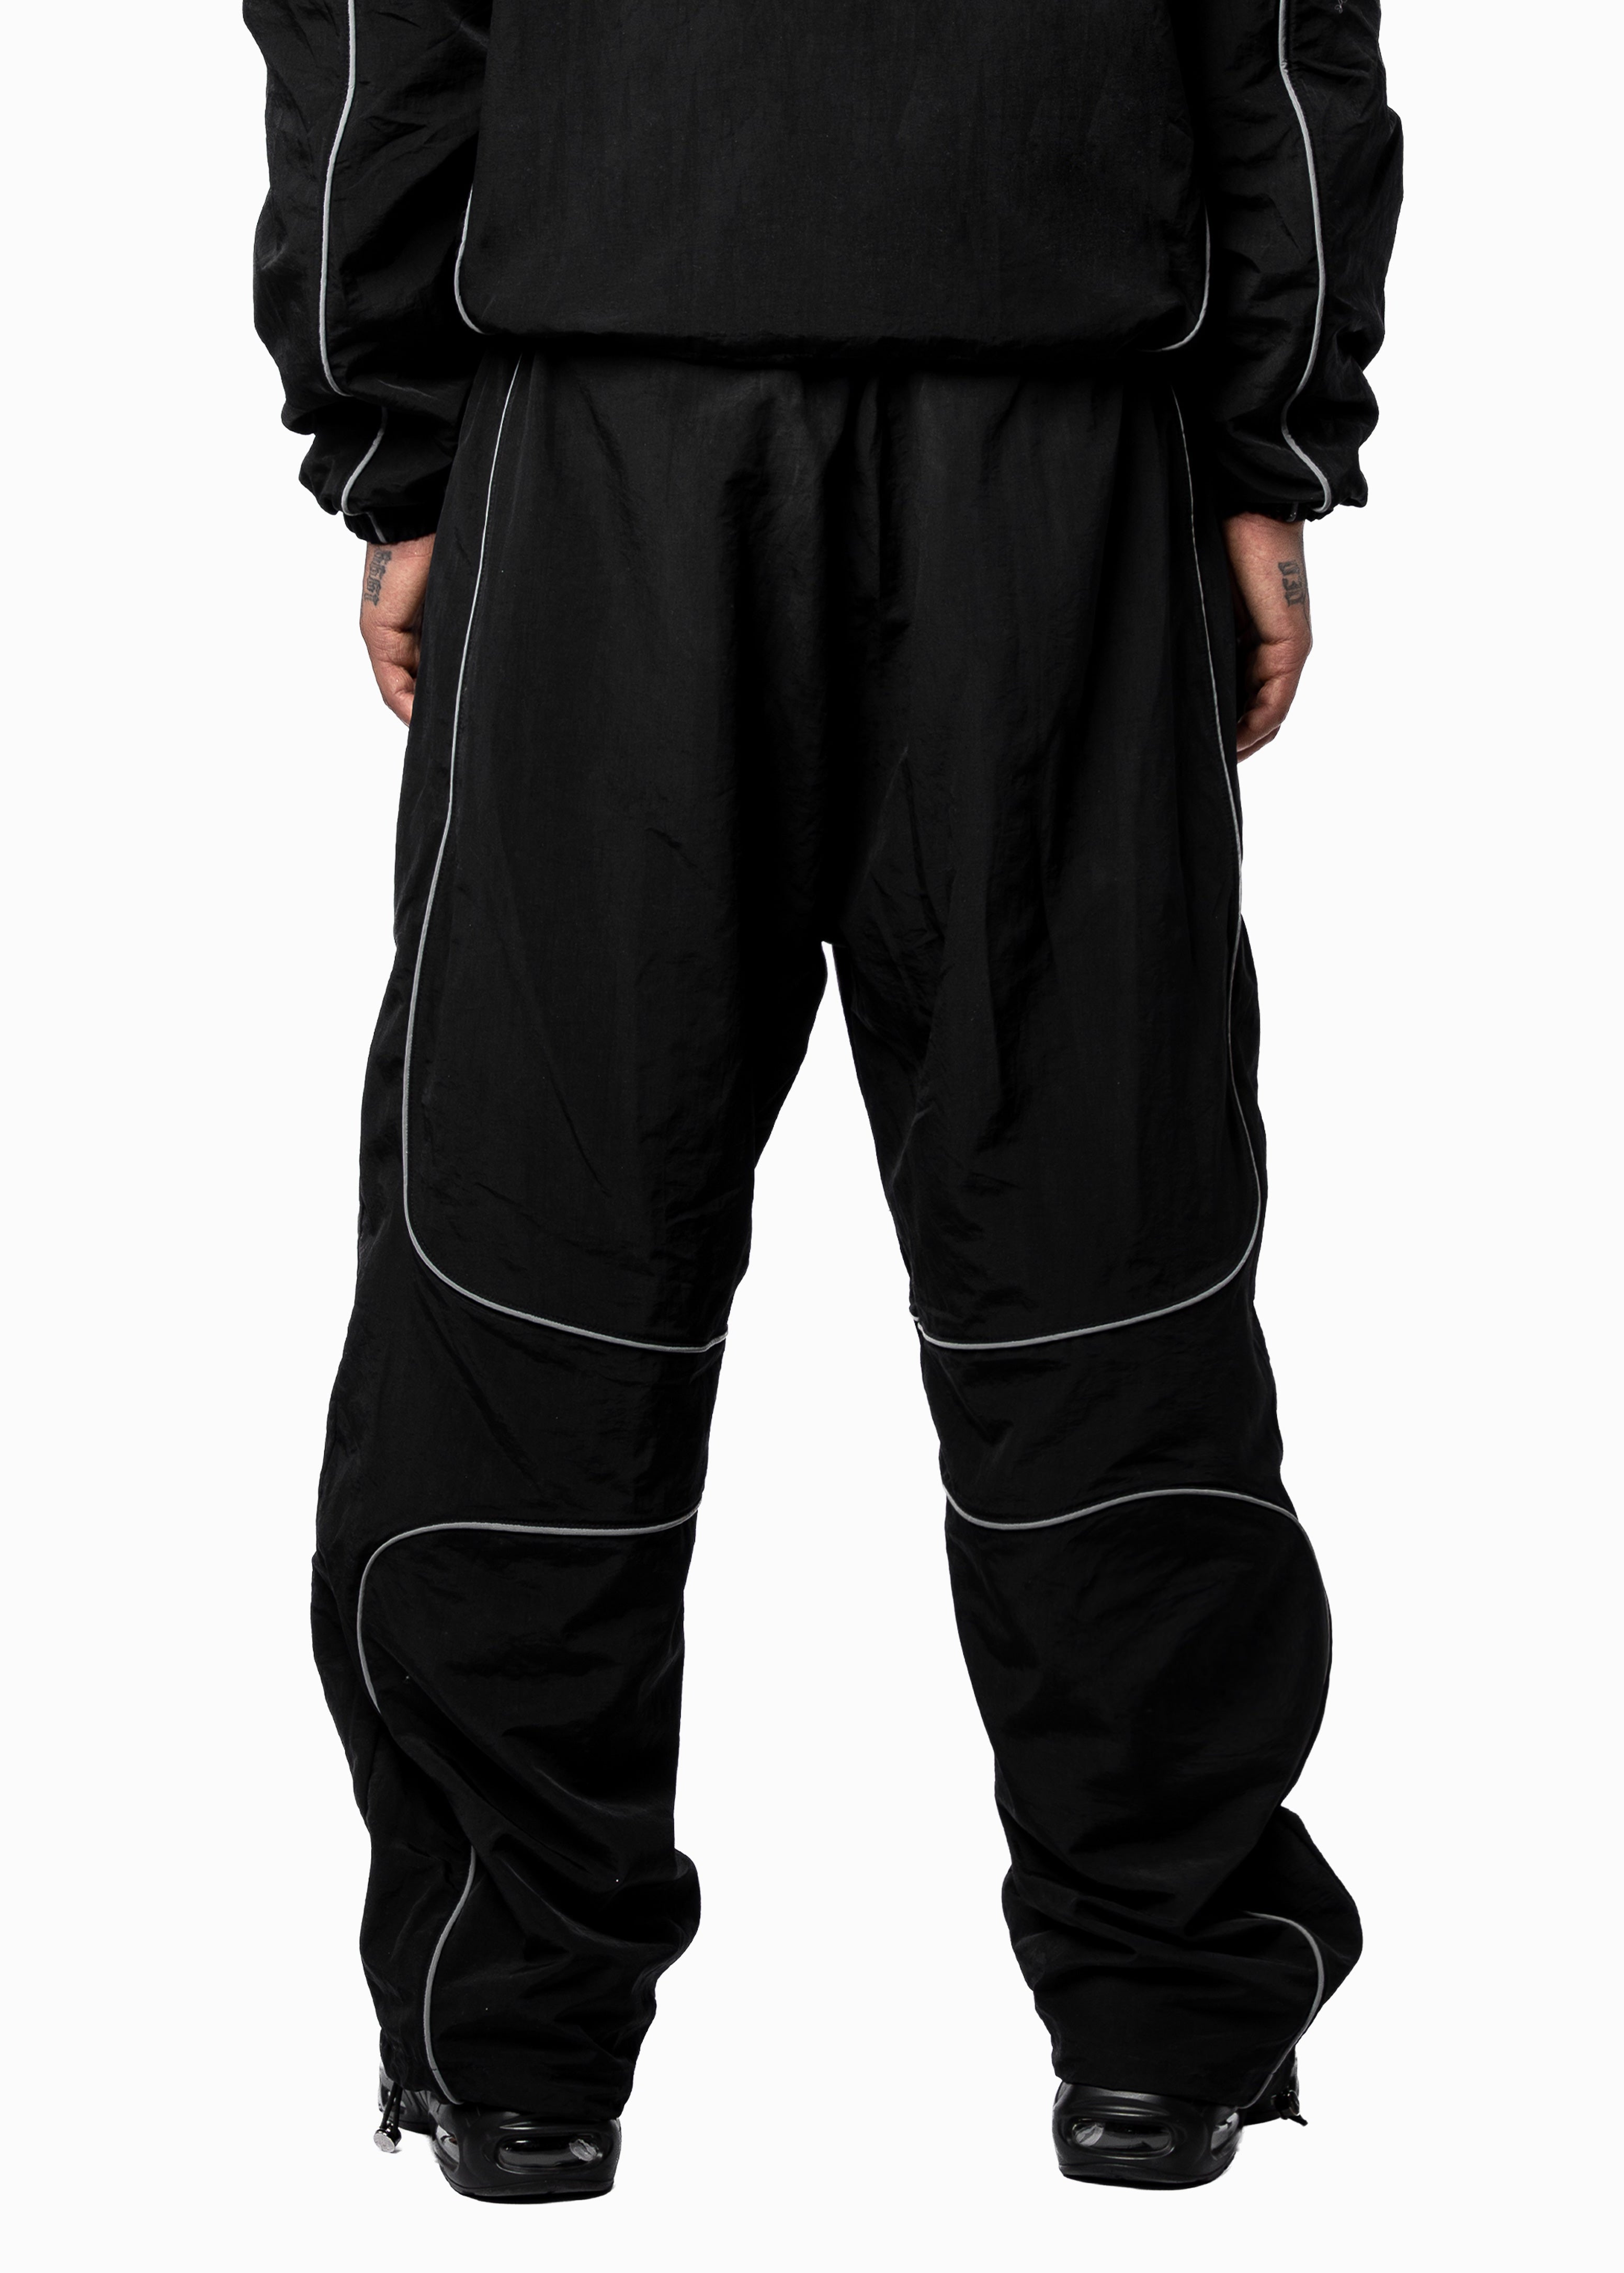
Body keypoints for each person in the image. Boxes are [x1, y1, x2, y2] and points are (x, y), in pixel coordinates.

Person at [247, 0, 1400, 2200]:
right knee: (1098, 1228)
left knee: (537, 1235)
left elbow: (381, 22)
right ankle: (1159, 2019)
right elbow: (1273, 27)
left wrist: (395, 435)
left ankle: (517, 2045)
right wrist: (1268, 434)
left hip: (612, 423)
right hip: (1050, 428)